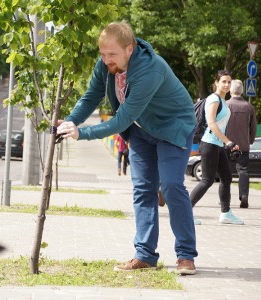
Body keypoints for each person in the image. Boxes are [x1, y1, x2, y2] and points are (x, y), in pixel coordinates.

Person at [57, 21, 198, 275]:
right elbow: (90, 96)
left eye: (112, 54)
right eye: (102, 54)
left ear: (129, 49)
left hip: (173, 128)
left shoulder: (150, 70)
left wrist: (82, 134)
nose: (106, 59)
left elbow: (121, 119)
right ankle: (145, 255)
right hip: (141, 130)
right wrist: (70, 122)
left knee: (171, 185)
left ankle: (186, 255)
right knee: (143, 189)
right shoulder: (105, 66)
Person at [190, 71, 244, 225]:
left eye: (229, 82)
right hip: (209, 144)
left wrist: (229, 143)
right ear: (217, 82)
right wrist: (228, 142)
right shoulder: (213, 99)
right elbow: (212, 123)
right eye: (224, 81)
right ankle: (185, 212)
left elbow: (221, 125)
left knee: (227, 177)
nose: (226, 84)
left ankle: (226, 213)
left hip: (218, 145)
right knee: (206, 180)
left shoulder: (223, 101)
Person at [226, 79, 257, 208]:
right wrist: (250, 140)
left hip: (226, 144)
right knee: (243, 171)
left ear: (231, 90)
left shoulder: (225, 105)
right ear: (242, 91)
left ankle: (225, 199)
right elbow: (253, 127)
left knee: (225, 172)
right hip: (243, 145)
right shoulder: (249, 107)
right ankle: (244, 195)